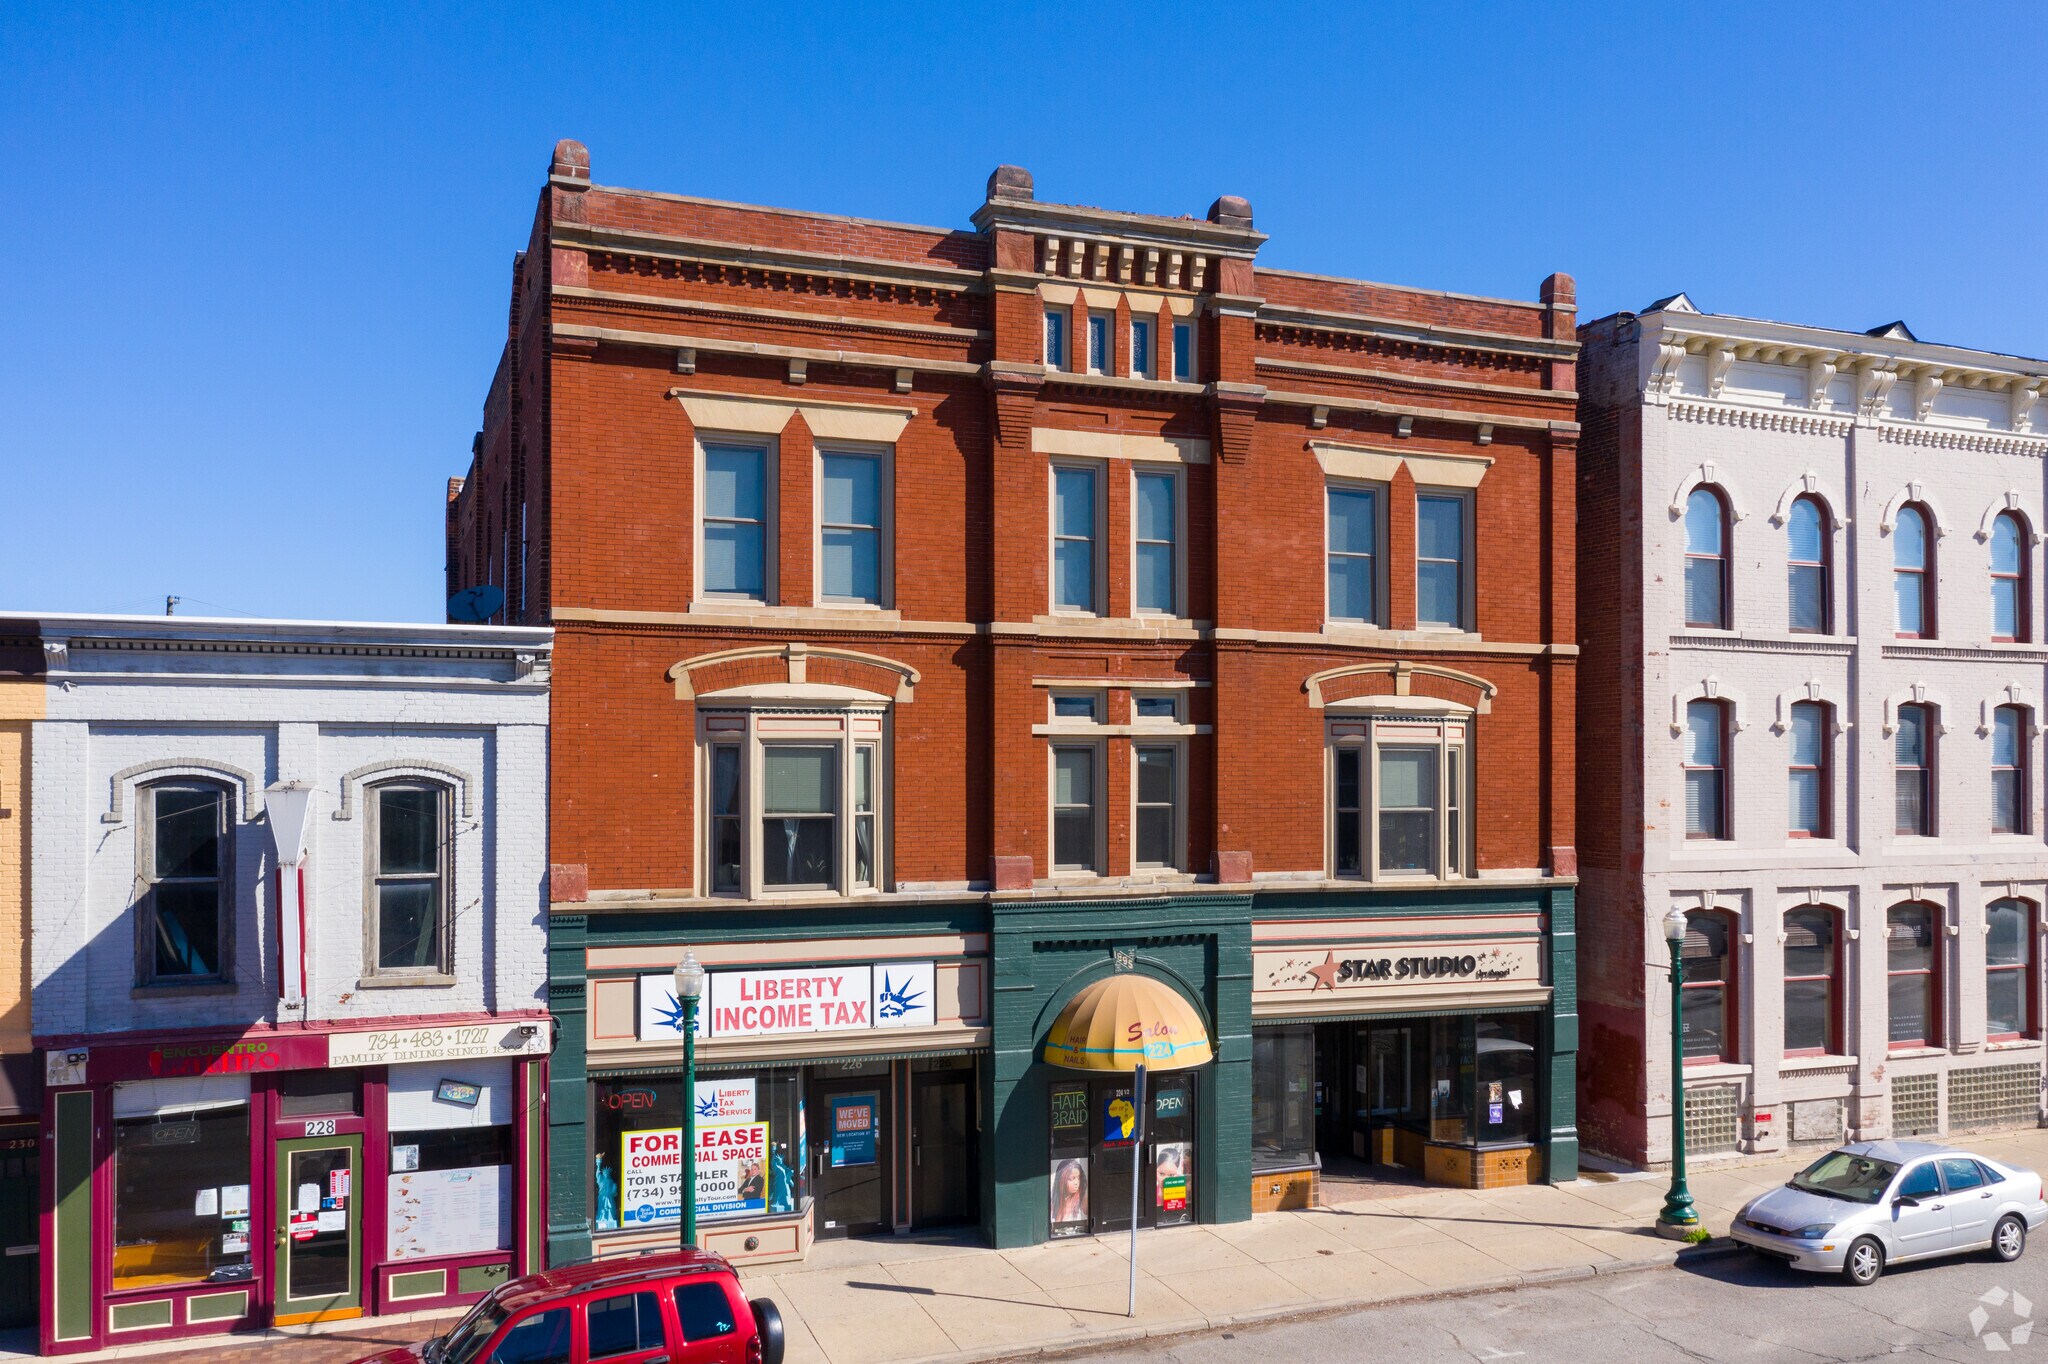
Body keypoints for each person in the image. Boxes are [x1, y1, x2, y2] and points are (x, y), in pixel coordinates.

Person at [1051, 1158, 1088, 1227]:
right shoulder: (1053, 1201)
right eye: (1072, 1179)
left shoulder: (1082, 1199)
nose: (1076, 1182)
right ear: (1062, 1180)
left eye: (1079, 1178)